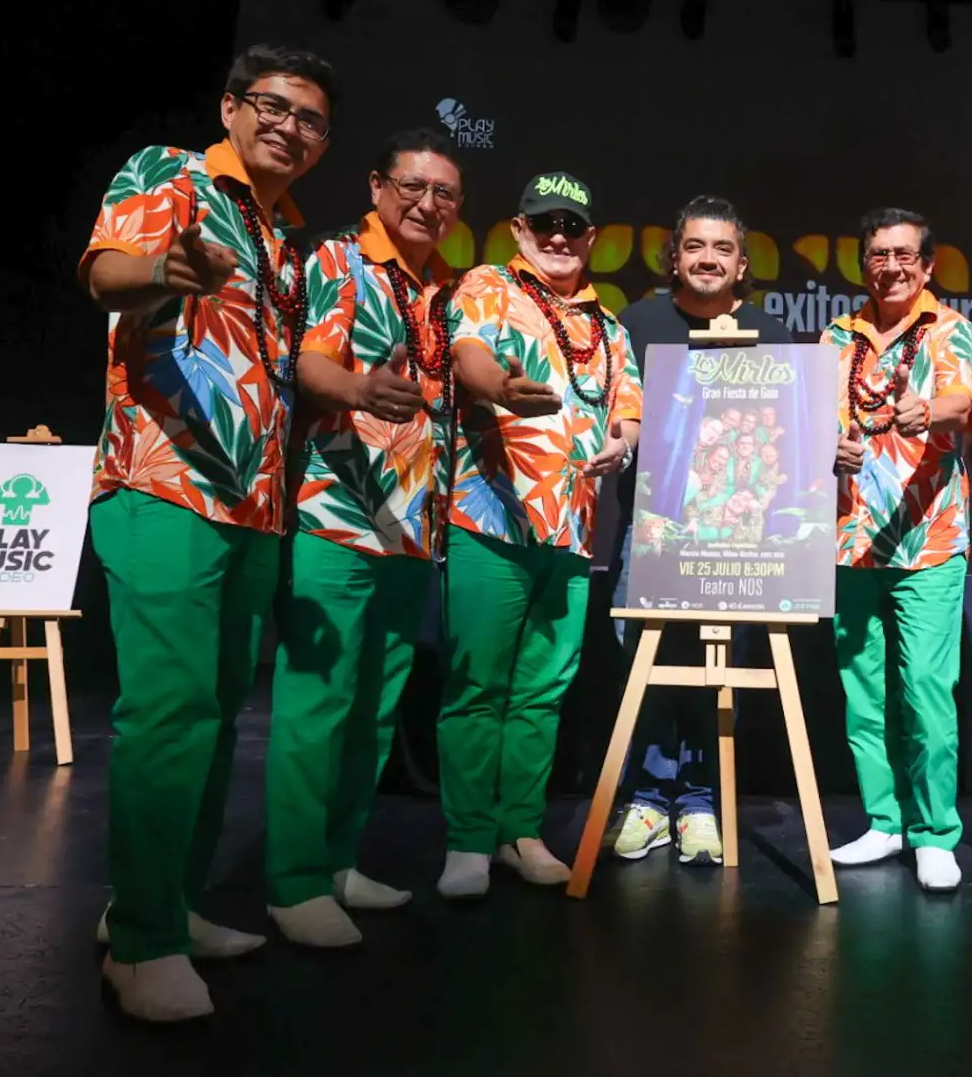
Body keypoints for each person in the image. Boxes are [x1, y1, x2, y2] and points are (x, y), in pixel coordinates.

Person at [78, 44, 337, 1021]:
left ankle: (162, 908)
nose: (289, 128)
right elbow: (107, 275)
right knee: (172, 711)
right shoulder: (170, 172)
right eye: (271, 106)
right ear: (232, 107)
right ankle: (140, 946)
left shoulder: (286, 240)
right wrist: (163, 270)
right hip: (163, 486)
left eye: (311, 119)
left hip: (254, 508)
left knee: (220, 713)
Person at [263, 128, 463, 947]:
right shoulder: (341, 261)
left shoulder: (444, 289)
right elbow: (309, 365)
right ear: (378, 186)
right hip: (337, 514)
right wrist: (357, 388)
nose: (427, 204)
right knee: (320, 703)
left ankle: (340, 861)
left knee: (376, 707)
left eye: (445, 194)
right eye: (413, 187)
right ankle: (292, 882)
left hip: (412, 526)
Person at [437, 171, 643, 897]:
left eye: (573, 226)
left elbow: (629, 409)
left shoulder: (609, 324)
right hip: (489, 519)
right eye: (544, 223)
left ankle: (518, 830)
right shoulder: (487, 286)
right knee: (477, 685)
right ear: (520, 230)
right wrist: (497, 388)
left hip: (573, 533)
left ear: (593, 238)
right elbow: (468, 356)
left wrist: (624, 440)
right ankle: (466, 839)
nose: (559, 236)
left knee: (541, 693)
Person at [604, 195, 792, 866]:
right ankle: (650, 798)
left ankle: (702, 801)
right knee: (645, 665)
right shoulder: (636, 324)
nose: (707, 258)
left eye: (722, 249)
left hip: (736, 541)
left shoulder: (771, 338)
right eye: (694, 247)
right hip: (652, 533)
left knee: (720, 671)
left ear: (742, 264)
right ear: (674, 257)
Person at [823, 208, 972, 893]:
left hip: (928, 538)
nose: (891, 266)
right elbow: (811, 419)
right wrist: (825, 443)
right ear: (865, 262)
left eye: (904, 255)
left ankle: (934, 831)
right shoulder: (836, 336)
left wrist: (930, 412)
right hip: (846, 539)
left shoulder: (948, 329)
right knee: (863, 695)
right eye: (879, 254)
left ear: (927, 265)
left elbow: (963, 400)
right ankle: (883, 822)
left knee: (924, 691)